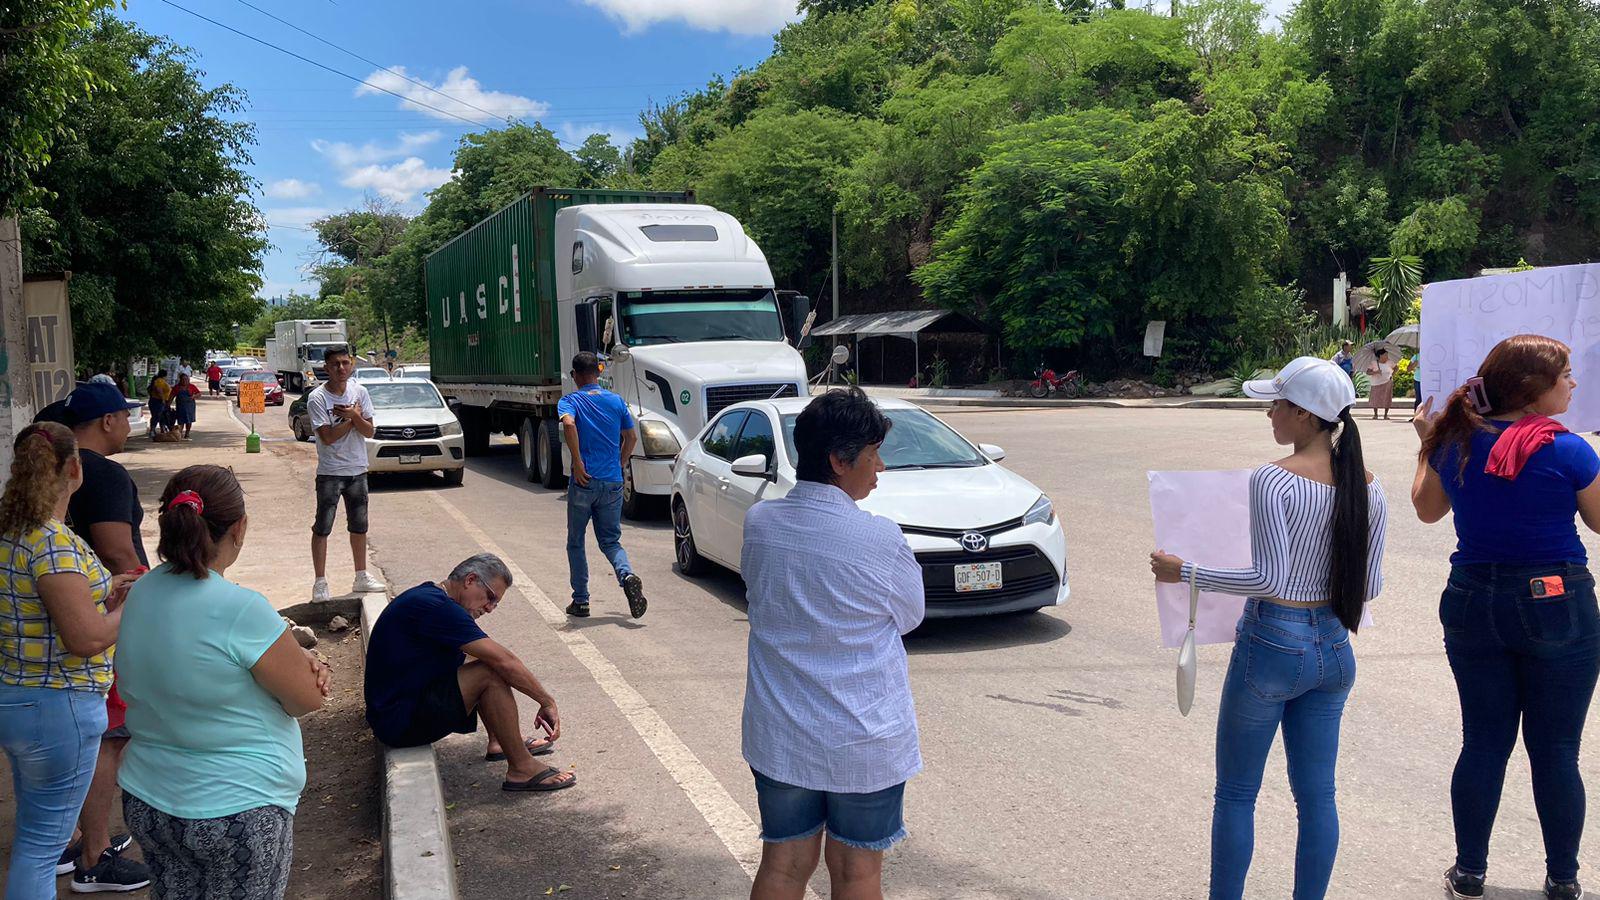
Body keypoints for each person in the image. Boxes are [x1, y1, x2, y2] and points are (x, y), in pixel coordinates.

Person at [1150, 356, 1387, 900]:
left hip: (1273, 643)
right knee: (1318, 797)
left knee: (1236, 794)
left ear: (1304, 415)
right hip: (1333, 647)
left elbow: (1268, 576)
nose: (1269, 415)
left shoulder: (1274, 478)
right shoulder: (1369, 487)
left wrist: (1183, 571)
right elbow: (1369, 585)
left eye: (1275, 404)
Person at [1412, 334, 1600, 900]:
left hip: (1473, 598)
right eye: (1564, 374)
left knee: (1484, 741)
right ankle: (1563, 880)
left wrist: (1427, 444)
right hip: (1556, 601)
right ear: (1532, 388)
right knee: (1557, 749)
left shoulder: (1457, 443)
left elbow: (1426, 511)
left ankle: (1470, 871)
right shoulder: (1569, 451)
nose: (1573, 382)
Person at [740, 387, 925, 900]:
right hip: (863, 735)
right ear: (840, 461)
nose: (880, 467)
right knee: (857, 874)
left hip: (781, 732)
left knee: (782, 865)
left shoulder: (760, 523)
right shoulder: (879, 537)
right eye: (872, 454)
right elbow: (910, 616)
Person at [113, 465, 327, 900]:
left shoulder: (141, 590)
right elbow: (305, 699)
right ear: (239, 527)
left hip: (149, 801)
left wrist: (288, 656)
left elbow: (191, 663)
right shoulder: (242, 609)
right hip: (237, 808)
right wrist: (304, 664)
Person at [0, 423, 140, 899]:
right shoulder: (53, 543)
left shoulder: (12, 534)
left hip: (19, 701)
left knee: (36, 836)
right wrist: (126, 609)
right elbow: (85, 637)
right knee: (42, 848)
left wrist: (108, 588)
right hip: (59, 706)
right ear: (75, 469)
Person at [54, 382, 155, 892]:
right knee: (108, 740)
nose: (129, 423)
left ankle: (72, 841)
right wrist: (155, 601)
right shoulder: (106, 474)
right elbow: (120, 552)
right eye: (125, 415)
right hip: (108, 617)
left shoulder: (57, 471)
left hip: (66, 618)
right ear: (108, 422)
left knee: (88, 736)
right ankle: (94, 857)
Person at [364, 554, 574, 792]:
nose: (490, 608)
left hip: (395, 711)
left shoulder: (430, 596)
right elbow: (505, 660)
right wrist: (546, 701)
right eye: (490, 598)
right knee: (489, 671)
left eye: (495, 604)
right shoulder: (439, 608)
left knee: (478, 658)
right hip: (398, 723)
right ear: (470, 580)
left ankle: (500, 742)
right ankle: (522, 768)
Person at [558, 351, 646, 619]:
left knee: (576, 541)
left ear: (575, 376)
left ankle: (581, 601)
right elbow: (631, 437)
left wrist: (577, 461)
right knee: (610, 541)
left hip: (584, 482)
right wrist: (620, 463)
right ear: (597, 374)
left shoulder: (569, 400)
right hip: (613, 481)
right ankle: (627, 574)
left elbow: (569, 425)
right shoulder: (616, 401)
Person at [306, 345, 385, 603]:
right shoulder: (318, 398)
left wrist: (354, 417)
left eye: (345, 363)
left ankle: (361, 575)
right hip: (330, 472)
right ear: (326, 367)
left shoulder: (359, 392)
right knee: (323, 527)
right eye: (335, 364)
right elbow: (327, 436)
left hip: (358, 470)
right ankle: (320, 582)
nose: (341, 368)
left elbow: (370, 431)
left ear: (351, 364)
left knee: (359, 526)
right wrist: (352, 418)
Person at [1366, 349, 1395, 420]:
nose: (1387, 356)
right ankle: (1375, 414)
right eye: (1385, 354)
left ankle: (1386, 414)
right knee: (1376, 398)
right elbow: (1368, 372)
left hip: (1387, 382)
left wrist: (1392, 375)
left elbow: (1396, 368)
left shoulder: (1390, 362)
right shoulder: (1374, 363)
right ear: (1380, 355)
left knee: (1387, 398)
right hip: (1376, 383)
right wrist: (1375, 372)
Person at [171, 372, 199, 440]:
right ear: (180, 380)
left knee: (189, 420)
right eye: (183, 379)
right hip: (180, 406)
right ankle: (180, 433)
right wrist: (168, 404)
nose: (185, 381)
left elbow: (199, 394)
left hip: (190, 406)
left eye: (186, 379)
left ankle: (187, 433)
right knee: (180, 420)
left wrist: (193, 396)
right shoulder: (177, 387)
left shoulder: (192, 386)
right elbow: (171, 396)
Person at [147, 370, 170, 438]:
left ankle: (162, 429)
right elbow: (159, 390)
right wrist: (162, 399)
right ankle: (152, 430)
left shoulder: (161, 381)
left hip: (160, 401)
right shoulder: (159, 381)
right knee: (156, 416)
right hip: (158, 401)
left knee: (162, 416)